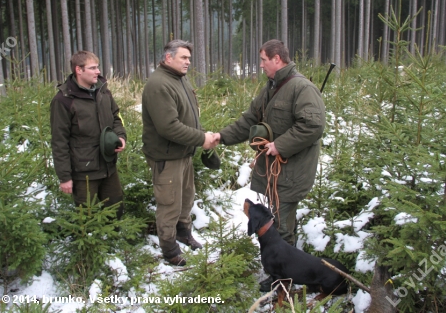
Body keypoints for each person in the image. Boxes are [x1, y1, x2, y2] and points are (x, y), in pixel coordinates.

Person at [213, 39, 325, 290]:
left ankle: (283, 281)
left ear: (277, 59)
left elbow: (313, 126)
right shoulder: (270, 88)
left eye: (263, 59)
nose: (260, 64)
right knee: (278, 221)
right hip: (277, 174)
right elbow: (249, 120)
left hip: (292, 173)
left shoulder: (301, 88)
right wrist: (221, 137)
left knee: (282, 228)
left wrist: (280, 145)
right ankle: (280, 272)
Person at [142, 39, 218, 266]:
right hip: (167, 157)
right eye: (183, 58)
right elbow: (168, 127)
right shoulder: (159, 84)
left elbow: (188, 115)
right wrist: (202, 139)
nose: (188, 62)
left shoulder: (179, 79)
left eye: (189, 58)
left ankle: (183, 233)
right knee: (169, 204)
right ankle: (169, 249)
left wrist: (200, 138)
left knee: (185, 199)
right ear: (168, 57)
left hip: (183, 153)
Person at [50, 50, 127, 219]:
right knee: (87, 217)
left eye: (97, 67)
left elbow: (116, 117)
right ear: (79, 70)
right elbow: (59, 141)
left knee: (116, 208)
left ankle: (115, 244)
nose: (98, 71)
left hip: (109, 166)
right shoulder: (63, 100)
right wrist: (64, 177)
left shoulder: (103, 92)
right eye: (93, 68)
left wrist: (120, 137)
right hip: (83, 172)